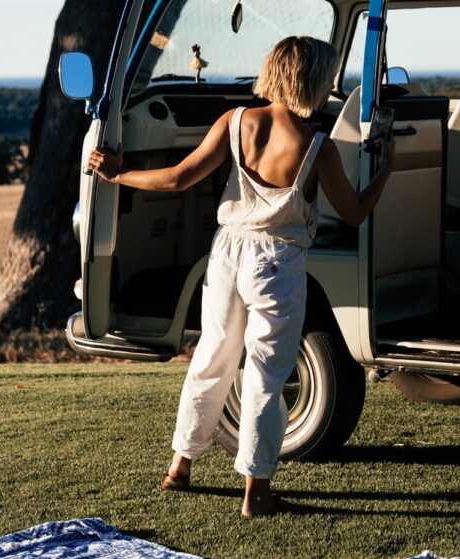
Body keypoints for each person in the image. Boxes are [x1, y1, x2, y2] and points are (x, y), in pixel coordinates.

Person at [88, 36, 395, 517]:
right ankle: (257, 492)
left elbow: (176, 178)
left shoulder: (234, 122)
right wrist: (386, 170)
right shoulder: (318, 147)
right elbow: (353, 214)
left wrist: (118, 175)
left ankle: (180, 466)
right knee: (266, 376)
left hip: (226, 252)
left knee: (211, 357)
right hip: (278, 262)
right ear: (313, 80)